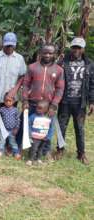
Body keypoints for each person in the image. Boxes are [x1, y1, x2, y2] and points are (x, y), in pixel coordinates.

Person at [54, 37, 94, 165]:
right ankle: (60, 149)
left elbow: (92, 84)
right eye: (74, 47)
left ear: (83, 49)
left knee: (80, 128)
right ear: (70, 48)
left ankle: (81, 153)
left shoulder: (89, 64)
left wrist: (92, 102)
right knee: (62, 126)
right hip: (64, 101)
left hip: (80, 103)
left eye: (79, 48)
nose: (76, 50)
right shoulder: (62, 62)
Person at [22, 44, 65, 158]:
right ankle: (29, 150)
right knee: (29, 127)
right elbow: (25, 85)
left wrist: (54, 105)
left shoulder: (59, 70)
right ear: (40, 53)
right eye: (45, 52)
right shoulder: (32, 67)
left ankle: (45, 151)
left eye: (50, 53)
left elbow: (60, 89)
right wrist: (25, 100)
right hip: (32, 103)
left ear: (54, 54)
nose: (47, 55)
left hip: (48, 106)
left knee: (46, 130)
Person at [0, 32, 26, 149]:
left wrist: (15, 89)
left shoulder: (19, 59)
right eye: (7, 45)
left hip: (11, 98)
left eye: (11, 46)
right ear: (2, 44)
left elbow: (23, 75)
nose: (9, 48)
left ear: (15, 45)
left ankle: (9, 143)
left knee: (11, 121)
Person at [26, 100, 54, 166]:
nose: (37, 110)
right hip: (35, 137)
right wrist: (29, 134)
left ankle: (39, 159)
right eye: (37, 107)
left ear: (46, 109)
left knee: (40, 149)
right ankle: (30, 159)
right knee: (33, 148)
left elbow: (51, 128)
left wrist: (49, 137)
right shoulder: (33, 116)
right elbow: (28, 124)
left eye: (40, 108)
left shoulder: (49, 118)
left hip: (44, 137)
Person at [0, 93, 21, 159]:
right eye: (6, 101)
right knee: (2, 140)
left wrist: (16, 128)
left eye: (10, 101)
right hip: (3, 129)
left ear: (13, 101)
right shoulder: (2, 109)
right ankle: (1, 151)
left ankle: (16, 152)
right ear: (4, 101)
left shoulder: (15, 110)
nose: (8, 102)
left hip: (12, 130)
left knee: (12, 141)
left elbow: (18, 120)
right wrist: (0, 128)